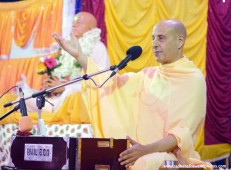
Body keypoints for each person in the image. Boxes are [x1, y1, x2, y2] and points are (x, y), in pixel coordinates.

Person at [53, 19, 212, 169]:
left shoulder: (192, 79)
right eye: (153, 38)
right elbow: (111, 85)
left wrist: (145, 150)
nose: (155, 44)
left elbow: (181, 135)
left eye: (161, 38)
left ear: (180, 41)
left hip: (174, 158)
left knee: (144, 161)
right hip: (140, 151)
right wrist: (80, 56)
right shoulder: (148, 75)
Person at [19, 11, 110, 113]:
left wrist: (65, 87)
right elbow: (62, 76)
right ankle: (50, 108)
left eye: (79, 22)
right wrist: (52, 86)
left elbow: (102, 81)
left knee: (70, 96)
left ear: (92, 28)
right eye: (73, 21)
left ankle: (51, 109)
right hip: (58, 97)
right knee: (24, 96)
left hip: (78, 97)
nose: (74, 24)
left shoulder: (98, 48)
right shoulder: (66, 49)